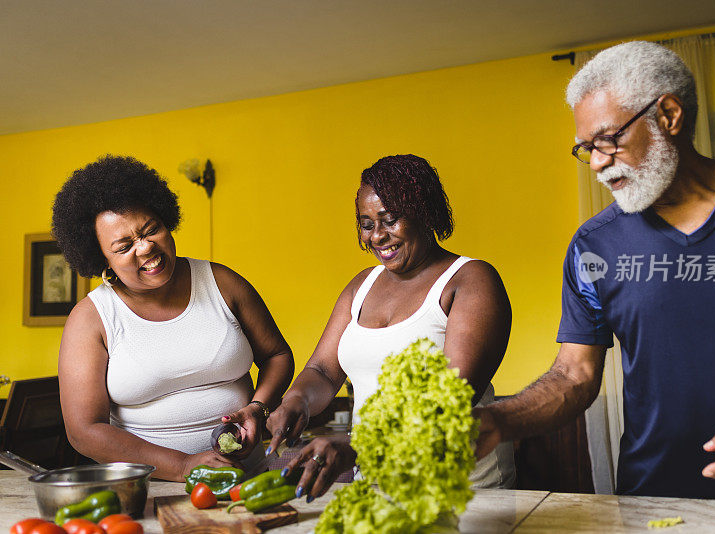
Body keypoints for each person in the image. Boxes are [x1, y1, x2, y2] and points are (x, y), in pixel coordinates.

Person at [475, 40, 715, 501]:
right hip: (650, 500)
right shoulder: (594, 246)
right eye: (585, 148)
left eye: (608, 140)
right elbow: (574, 375)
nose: (597, 164)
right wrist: (498, 421)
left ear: (668, 115)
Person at [267, 154, 516, 502]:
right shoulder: (360, 286)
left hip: (459, 485)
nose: (378, 236)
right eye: (367, 224)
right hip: (375, 478)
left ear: (424, 212)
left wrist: (357, 446)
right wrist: (295, 402)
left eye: (390, 220)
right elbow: (323, 371)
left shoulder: (470, 280)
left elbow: (450, 399)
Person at [52, 155, 294, 481]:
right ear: (102, 260)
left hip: (245, 478)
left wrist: (258, 409)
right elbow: (84, 431)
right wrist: (183, 466)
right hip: (144, 489)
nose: (146, 247)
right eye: (124, 246)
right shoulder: (90, 319)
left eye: (151, 229)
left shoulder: (222, 283)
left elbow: (277, 355)